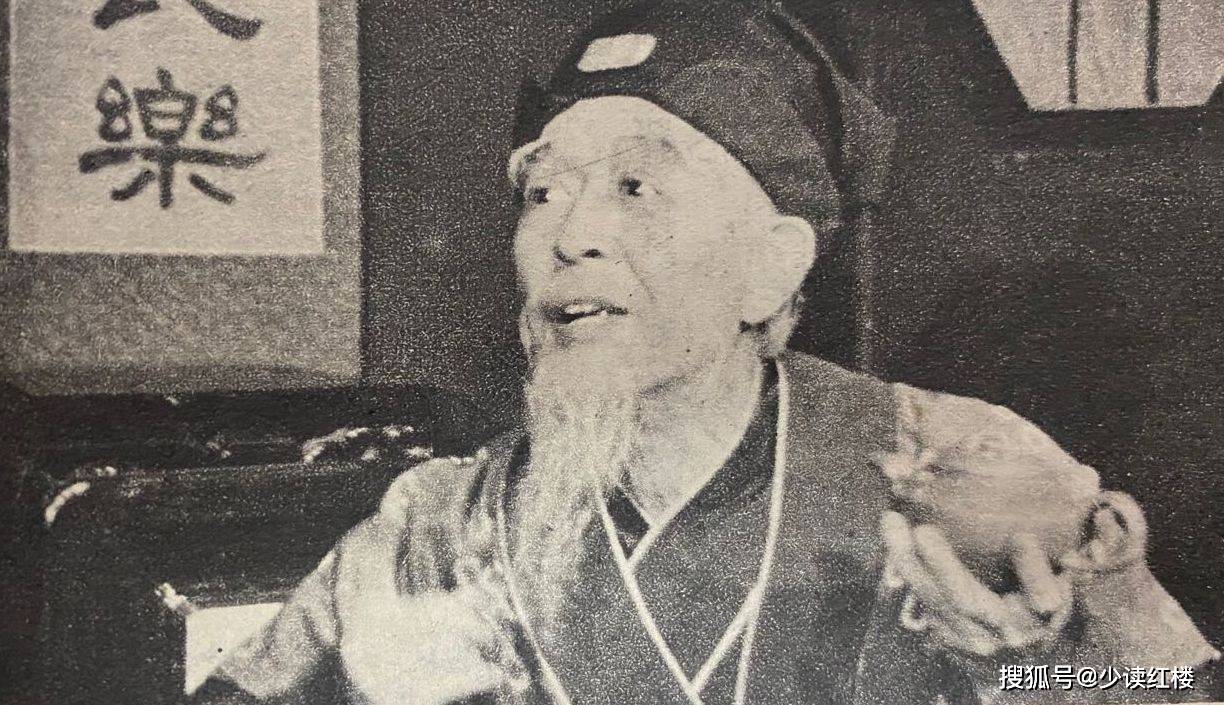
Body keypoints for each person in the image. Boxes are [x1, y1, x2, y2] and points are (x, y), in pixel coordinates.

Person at [190, 2, 1220, 703]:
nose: (570, 233)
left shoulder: (965, 464)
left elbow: (1179, 689)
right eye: (543, 192)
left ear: (771, 267)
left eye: (635, 187)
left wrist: (1035, 673)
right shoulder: (437, 522)